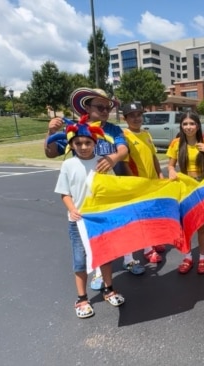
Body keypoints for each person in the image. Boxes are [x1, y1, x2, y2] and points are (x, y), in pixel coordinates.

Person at [44, 87, 130, 290]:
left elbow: (123, 148)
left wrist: (113, 157)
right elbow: (51, 152)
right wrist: (51, 132)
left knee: (114, 233)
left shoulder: (113, 129)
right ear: (87, 107)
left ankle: (128, 259)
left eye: (108, 107)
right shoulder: (75, 130)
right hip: (85, 197)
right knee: (89, 239)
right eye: (100, 106)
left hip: (109, 193)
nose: (105, 111)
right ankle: (97, 272)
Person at [53, 119, 125, 319]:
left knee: (106, 256)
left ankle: (109, 289)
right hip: (78, 222)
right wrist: (72, 209)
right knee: (79, 260)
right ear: (72, 145)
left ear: (95, 143)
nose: (83, 147)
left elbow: (112, 189)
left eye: (87, 143)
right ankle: (82, 298)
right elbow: (64, 193)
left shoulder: (102, 162)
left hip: (100, 219)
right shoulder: (68, 165)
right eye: (78, 143)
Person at [167, 111, 204, 275]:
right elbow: (171, 165)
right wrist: (172, 170)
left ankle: (202, 258)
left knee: (202, 226)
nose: (188, 127)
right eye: (185, 124)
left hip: (201, 186)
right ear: (181, 126)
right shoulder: (176, 143)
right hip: (183, 187)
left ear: (198, 126)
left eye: (192, 124)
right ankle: (187, 257)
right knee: (185, 226)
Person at [120, 101, 166, 273]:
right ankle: (148, 250)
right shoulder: (124, 136)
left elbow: (153, 157)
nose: (137, 118)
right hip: (138, 185)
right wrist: (133, 183)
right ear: (125, 118)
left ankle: (153, 241)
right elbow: (124, 163)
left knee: (152, 215)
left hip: (152, 183)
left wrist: (160, 175)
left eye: (139, 115)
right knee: (140, 218)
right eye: (132, 116)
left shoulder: (146, 134)